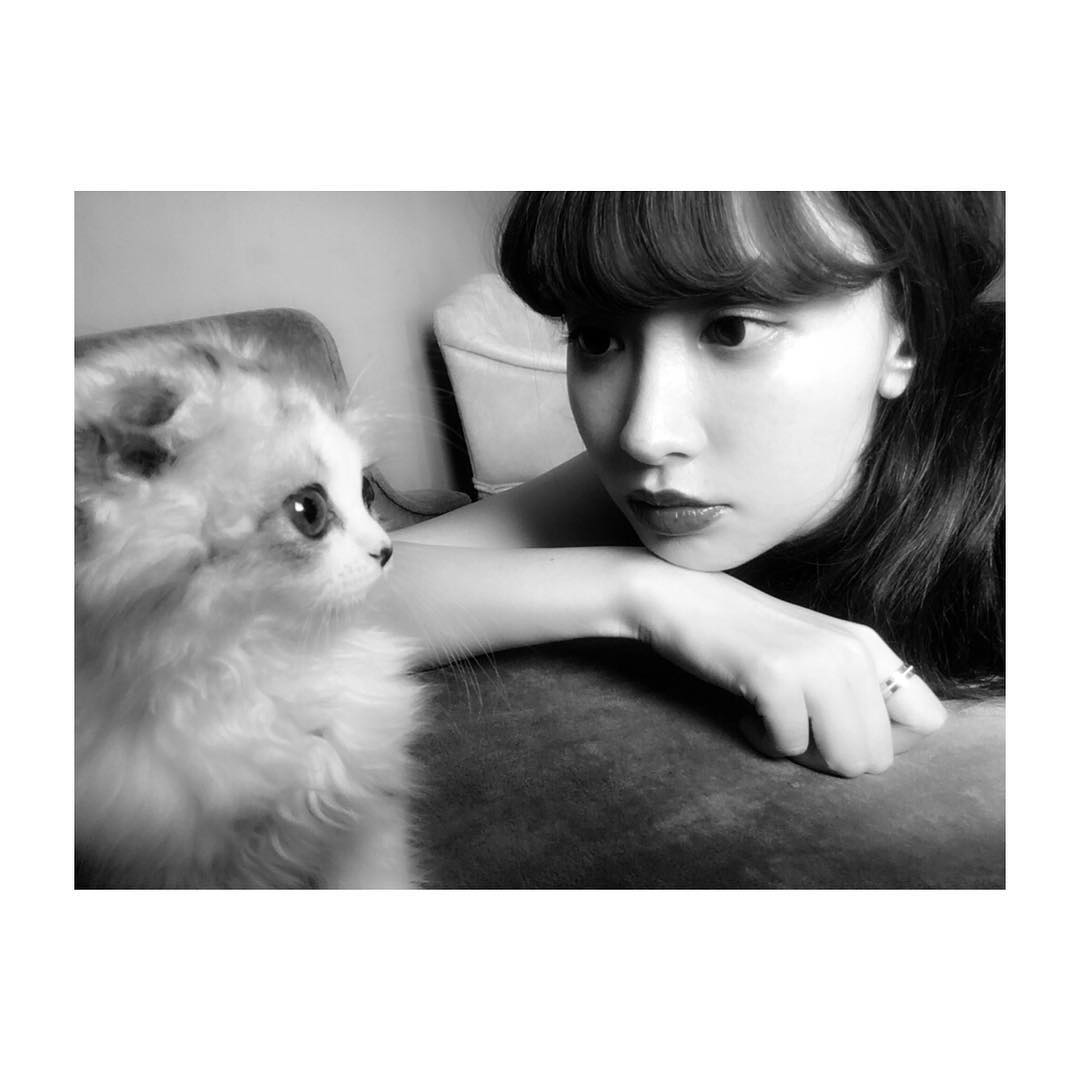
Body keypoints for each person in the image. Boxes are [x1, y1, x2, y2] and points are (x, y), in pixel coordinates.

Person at [376, 191, 1004, 779]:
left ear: (905, 336)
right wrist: (641, 592)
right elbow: (336, 596)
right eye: (596, 338)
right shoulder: (667, 484)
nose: (644, 435)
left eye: (733, 329)